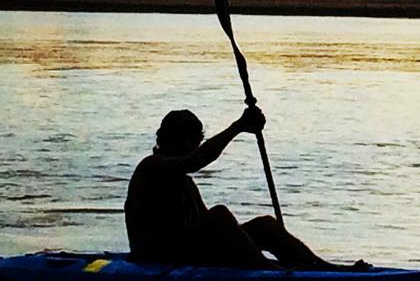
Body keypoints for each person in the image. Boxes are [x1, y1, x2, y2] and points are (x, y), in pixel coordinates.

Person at [125, 106, 369, 270]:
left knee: (264, 225)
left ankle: (321, 269)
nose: (193, 147)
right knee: (219, 215)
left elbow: (202, 226)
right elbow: (197, 161)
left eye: (196, 141)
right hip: (158, 258)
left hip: (187, 254)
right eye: (188, 141)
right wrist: (239, 126)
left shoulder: (184, 181)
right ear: (167, 140)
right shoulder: (152, 167)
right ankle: (267, 272)